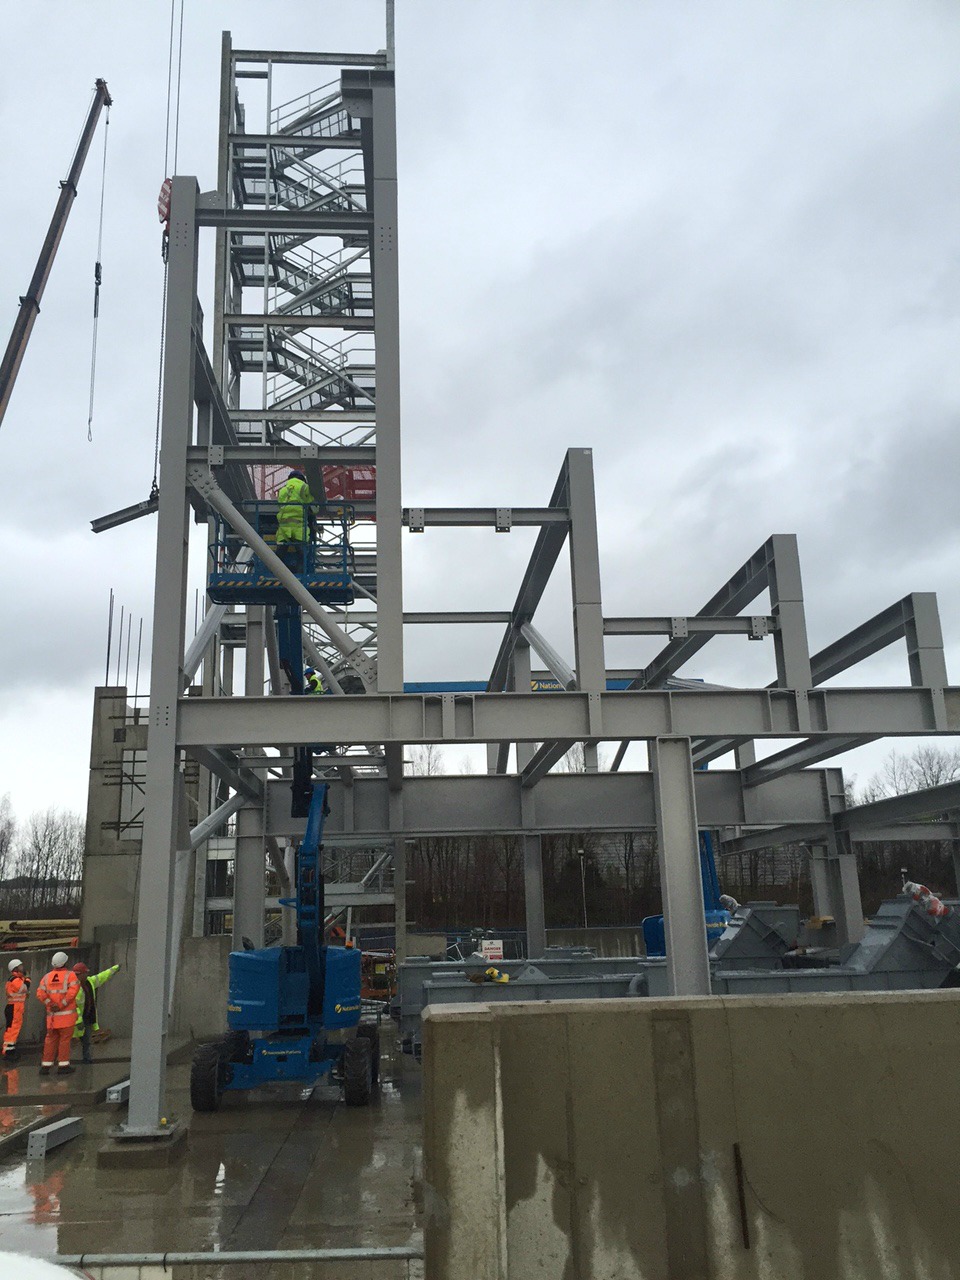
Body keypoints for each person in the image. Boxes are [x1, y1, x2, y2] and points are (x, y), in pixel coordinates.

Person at [36, 952, 80, 1076]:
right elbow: (72, 993)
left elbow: (40, 993)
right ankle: (63, 1065)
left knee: (50, 1040)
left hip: (52, 1019)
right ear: (65, 962)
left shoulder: (46, 977)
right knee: (64, 1041)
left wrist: (50, 1004)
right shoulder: (70, 976)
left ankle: (46, 1066)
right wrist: (60, 1004)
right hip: (66, 1017)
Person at [72, 961, 120, 1065]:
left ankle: (86, 1059)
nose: (86, 975)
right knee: (72, 1041)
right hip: (76, 1020)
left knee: (87, 1041)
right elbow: (73, 1006)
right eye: (84, 973)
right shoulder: (73, 987)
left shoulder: (90, 982)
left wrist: (115, 968)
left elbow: (102, 976)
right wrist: (78, 1021)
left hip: (87, 1017)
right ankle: (65, 1061)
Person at [276, 470, 316, 571]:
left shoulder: (282, 490)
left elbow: (280, 505)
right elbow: (312, 506)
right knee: (302, 555)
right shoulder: (304, 487)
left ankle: (278, 572)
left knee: (279, 554)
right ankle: (299, 574)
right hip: (299, 526)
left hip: (284, 527)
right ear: (302, 479)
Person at [3, 959, 31, 1061]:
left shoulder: (16, 979)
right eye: (20, 966)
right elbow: (24, 988)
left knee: (12, 1030)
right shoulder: (15, 979)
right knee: (12, 1030)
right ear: (15, 968)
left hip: (14, 1007)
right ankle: (9, 1052)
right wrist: (28, 979)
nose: (22, 968)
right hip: (14, 1008)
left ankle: (9, 1050)